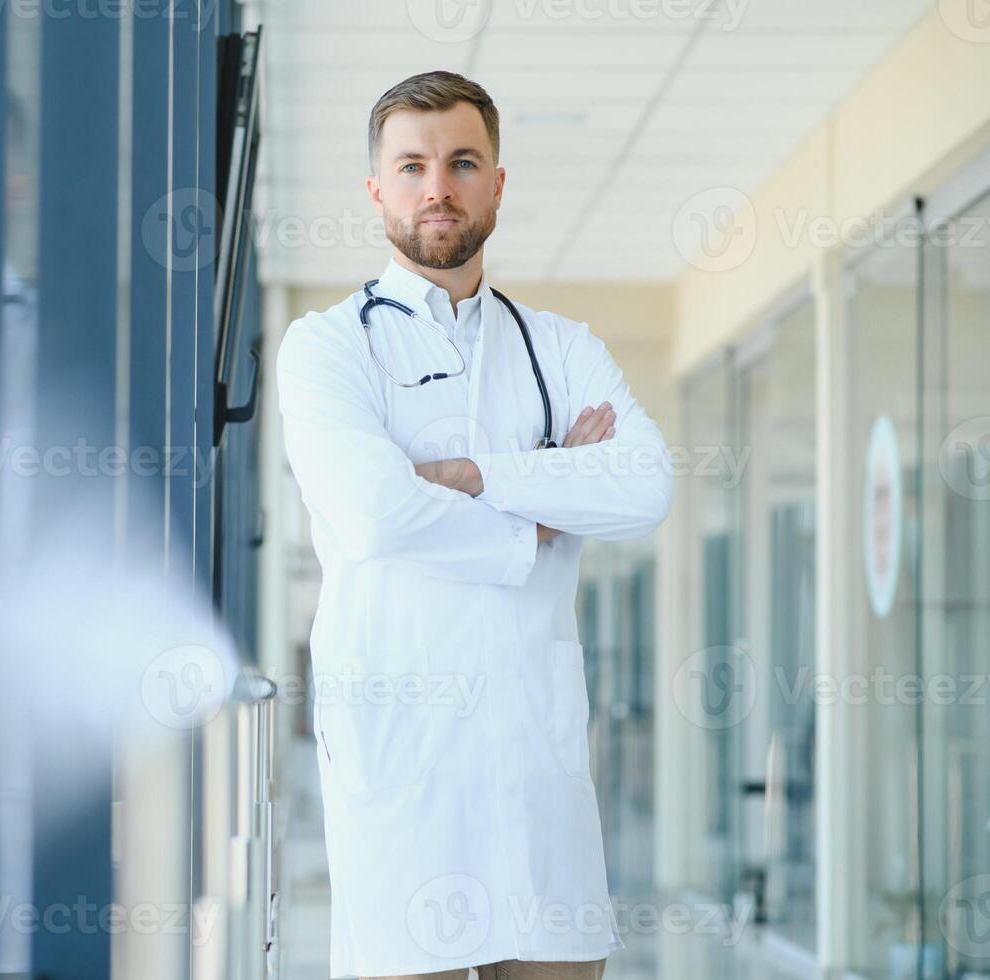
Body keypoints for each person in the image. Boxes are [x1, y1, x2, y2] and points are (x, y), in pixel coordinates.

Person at [275, 70, 674, 980]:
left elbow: (643, 487)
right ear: (377, 190)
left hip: (533, 761)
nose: (437, 187)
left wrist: (467, 476)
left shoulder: (559, 347)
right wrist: (541, 507)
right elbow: (373, 512)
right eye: (411, 166)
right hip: (401, 759)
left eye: (462, 162)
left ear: (497, 182)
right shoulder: (328, 346)